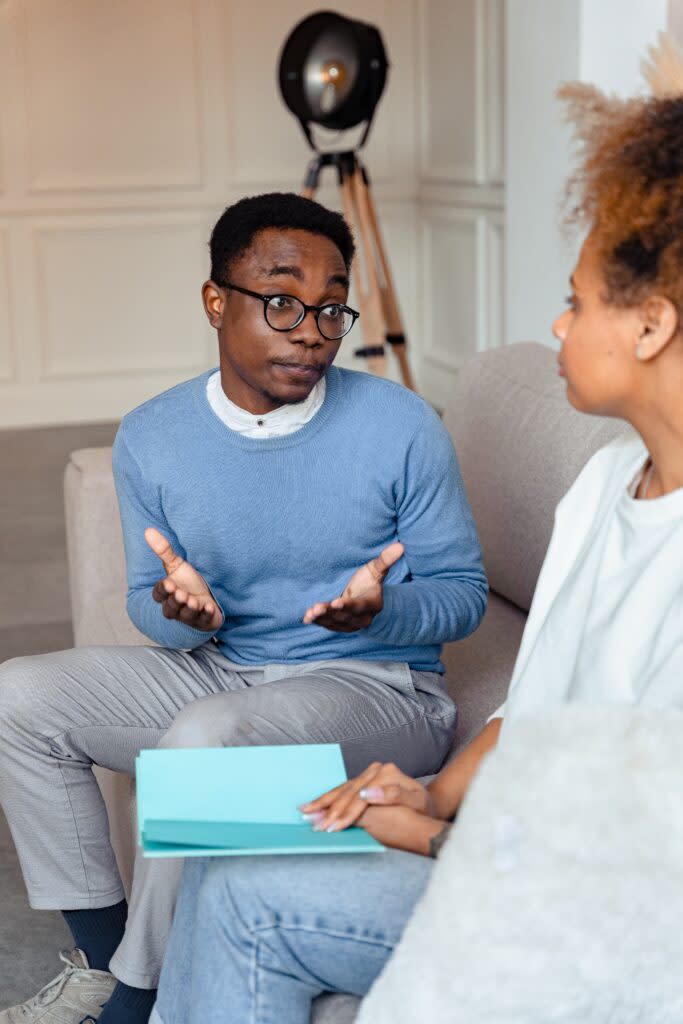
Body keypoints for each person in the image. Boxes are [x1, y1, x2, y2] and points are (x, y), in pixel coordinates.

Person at [151, 86, 683, 1024]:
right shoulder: (608, 483)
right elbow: (540, 705)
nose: (556, 327)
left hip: (621, 926)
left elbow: (641, 858)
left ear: (649, 326)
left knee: (250, 895)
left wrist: (437, 839)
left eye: (576, 301)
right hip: (526, 849)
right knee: (231, 849)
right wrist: (430, 791)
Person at [0, 192, 487, 1024]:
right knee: (19, 695)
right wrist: (182, 615)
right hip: (221, 669)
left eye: (331, 307)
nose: (311, 330)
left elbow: (463, 597)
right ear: (216, 301)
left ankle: (140, 999)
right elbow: (142, 603)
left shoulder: (402, 425)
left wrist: (378, 614)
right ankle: (100, 959)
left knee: (203, 740)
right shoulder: (153, 435)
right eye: (283, 300)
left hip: (375, 691)